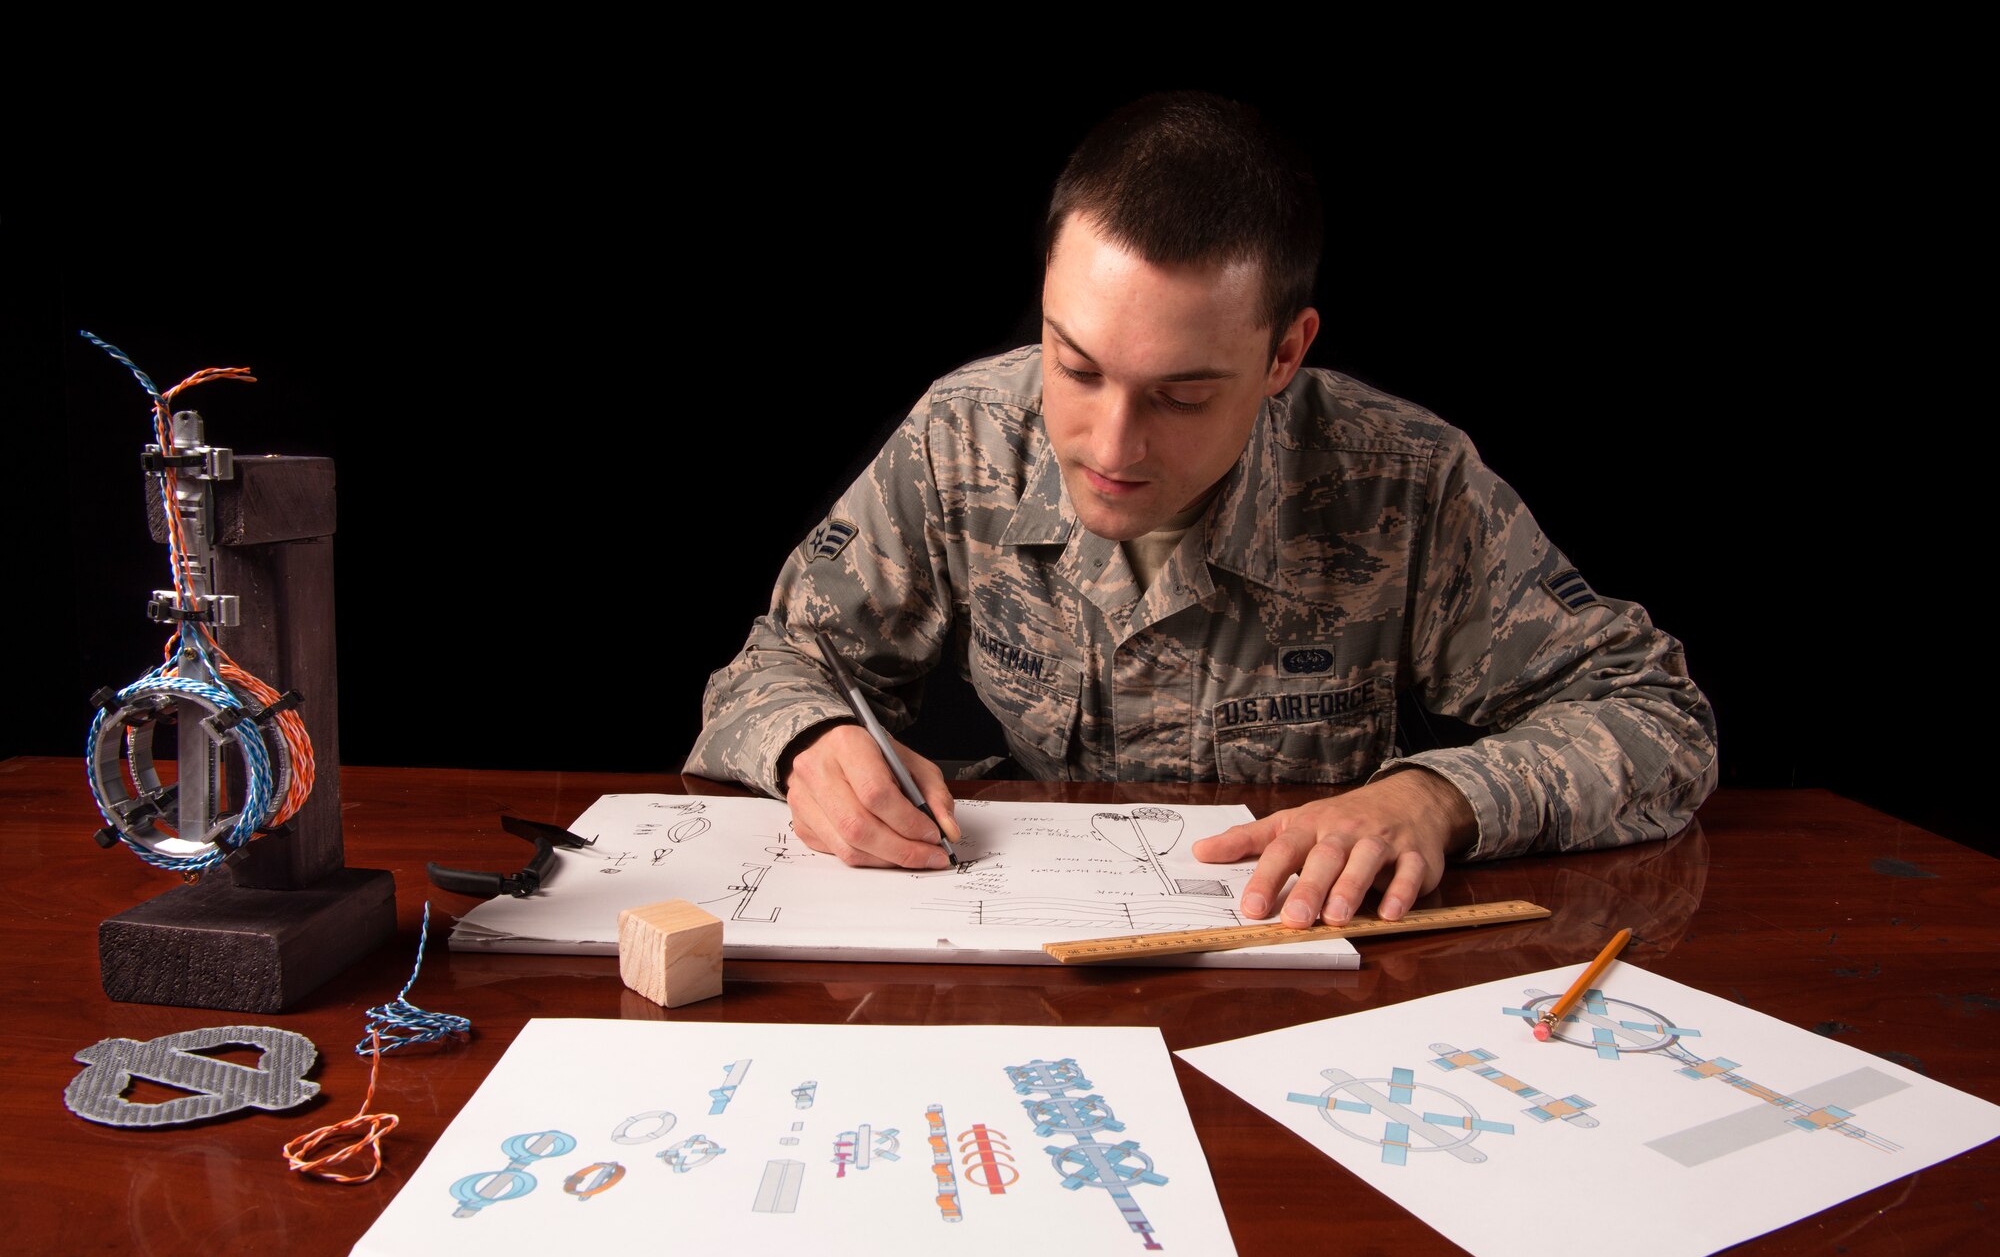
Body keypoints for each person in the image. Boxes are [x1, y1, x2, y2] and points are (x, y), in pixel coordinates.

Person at [687, 92, 1716, 930]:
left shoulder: (1404, 482)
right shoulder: (963, 439)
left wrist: (1433, 801)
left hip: (1295, 968)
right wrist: (808, 743)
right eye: (1075, 367)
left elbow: (1656, 718)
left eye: (1179, 395)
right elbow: (774, 666)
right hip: (1017, 948)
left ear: (1282, 354)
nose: (1110, 444)